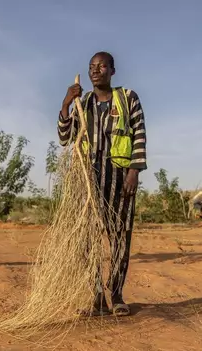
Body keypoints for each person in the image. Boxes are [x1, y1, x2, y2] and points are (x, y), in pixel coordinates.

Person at [57, 51, 147, 316]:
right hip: (88, 180)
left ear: (112, 70)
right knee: (87, 240)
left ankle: (117, 294)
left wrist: (135, 171)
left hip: (120, 177)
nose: (95, 71)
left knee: (120, 235)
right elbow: (66, 138)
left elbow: (139, 132)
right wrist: (66, 105)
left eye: (101, 66)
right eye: (91, 67)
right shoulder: (82, 103)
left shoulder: (128, 98)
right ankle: (96, 297)